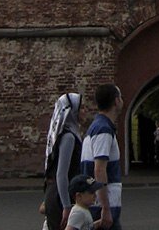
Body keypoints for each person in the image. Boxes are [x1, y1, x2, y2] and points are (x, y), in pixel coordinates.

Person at [43, 92, 90, 230]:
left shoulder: (67, 133)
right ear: (72, 111)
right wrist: (66, 206)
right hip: (60, 197)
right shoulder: (69, 137)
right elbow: (61, 174)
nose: (85, 111)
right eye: (81, 108)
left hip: (57, 193)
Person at [81, 84, 124, 230]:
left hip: (98, 204)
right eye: (120, 97)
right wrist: (105, 208)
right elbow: (99, 170)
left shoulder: (96, 127)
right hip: (102, 206)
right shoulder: (103, 130)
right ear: (116, 101)